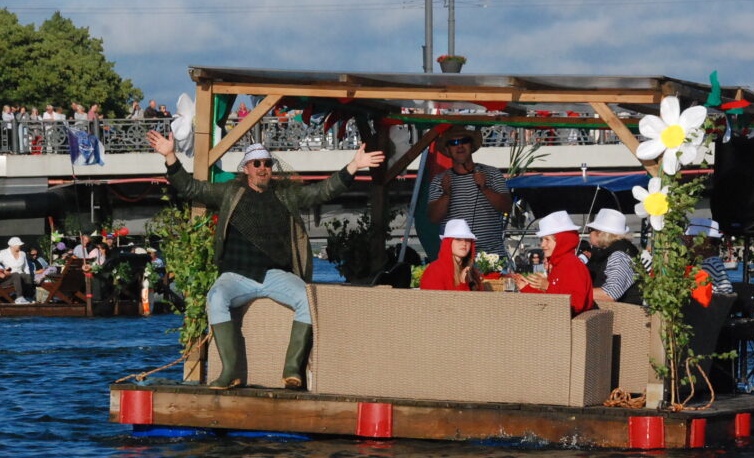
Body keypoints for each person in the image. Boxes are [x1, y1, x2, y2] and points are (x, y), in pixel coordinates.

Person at [146, 129, 385, 390]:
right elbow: (191, 187)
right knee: (216, 298)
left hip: (275, 274)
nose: (262, 168)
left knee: (307, 299)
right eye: (256, 164)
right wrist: (170, 155)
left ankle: (292, 370)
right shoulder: (229, 192)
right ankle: (230, 372)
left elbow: (322, 192)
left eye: (267, 163)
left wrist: (353, 166)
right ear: (246, 168)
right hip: (235, 275)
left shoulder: (286, 194)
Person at [427, 126, 512, 256]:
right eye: (454, 143)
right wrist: (446, 195)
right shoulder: (440, 180)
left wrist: (485, 189)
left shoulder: (492, 173)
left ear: (471, 146)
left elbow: (507, 207)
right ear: (447, 150)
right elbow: (433, 218)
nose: (459, 146)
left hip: (492, 256)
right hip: (457, 258)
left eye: (464, 141)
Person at [514, 211, 594, 315]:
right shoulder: (558, 263)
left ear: (561, 241)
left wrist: (547, 286)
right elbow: (552, 300)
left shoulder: (571, 263)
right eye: (542, 240)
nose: (542, 245)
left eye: (547, 240)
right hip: (556, 320)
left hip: (566, 324)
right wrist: (526, 287)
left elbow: (576, 304)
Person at [584, 208, 643, 305]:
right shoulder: (614, 251)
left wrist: (574, 293)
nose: (589, 234)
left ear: (600, 233)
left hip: (622, 317)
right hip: (611, 314)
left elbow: (609, 294)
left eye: (590, 230)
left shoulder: (619, 256)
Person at [419, 219, 482, 291]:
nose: (464, 243)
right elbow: (434, 301)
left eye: (468, 240)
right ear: (448, 243)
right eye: (458, 239)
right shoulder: (435, 270)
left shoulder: (472, 272)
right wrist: (462, 284)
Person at [686, 218, 732, 294]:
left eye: (690, 239)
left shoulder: (708, 265)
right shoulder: (713, 263)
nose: (688, 244)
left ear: (705, 241)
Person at [0, 237, 34, 301]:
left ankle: (29, 297)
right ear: (13, 245)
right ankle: (19, 297)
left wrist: (28, 274)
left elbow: (26, 267)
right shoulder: (4, 253)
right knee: (17, 275)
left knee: (27, 276)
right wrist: (2, 269)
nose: (20, 246)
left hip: (20, 274)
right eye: (18, 245)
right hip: (10, 276)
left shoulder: (22, 253)